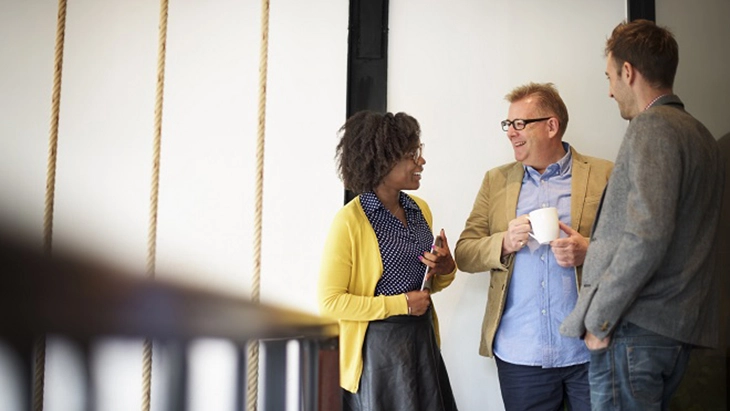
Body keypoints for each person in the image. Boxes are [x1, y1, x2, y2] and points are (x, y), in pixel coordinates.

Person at [560, 19, 725, 410]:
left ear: (628, 72)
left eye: (610, 77)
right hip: (681, 331)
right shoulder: (701, 135)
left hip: (635, 332)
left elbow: (647, 235)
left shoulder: (651, 126)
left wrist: (600, 320)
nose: (610, 91)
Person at [454, 82, 613, 410]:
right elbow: (465, 253)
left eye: (520, 124)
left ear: (551, 125)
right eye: (508, 125)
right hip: (520, 354)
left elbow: (634, 248)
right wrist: (503, 242)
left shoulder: (604, 173)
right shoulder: (495, 181)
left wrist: (589, 250)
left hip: (590, 349)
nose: (510, 132)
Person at [318, 111, 459, 411]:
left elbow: (426, 287)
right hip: (380, 351)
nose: (421, 162)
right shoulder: (349, 222)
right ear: (382, 161)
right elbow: (330, 302)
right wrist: (401, 305)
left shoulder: (420, 209)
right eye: (411, 155)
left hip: (422, 341)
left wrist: (445, 269)